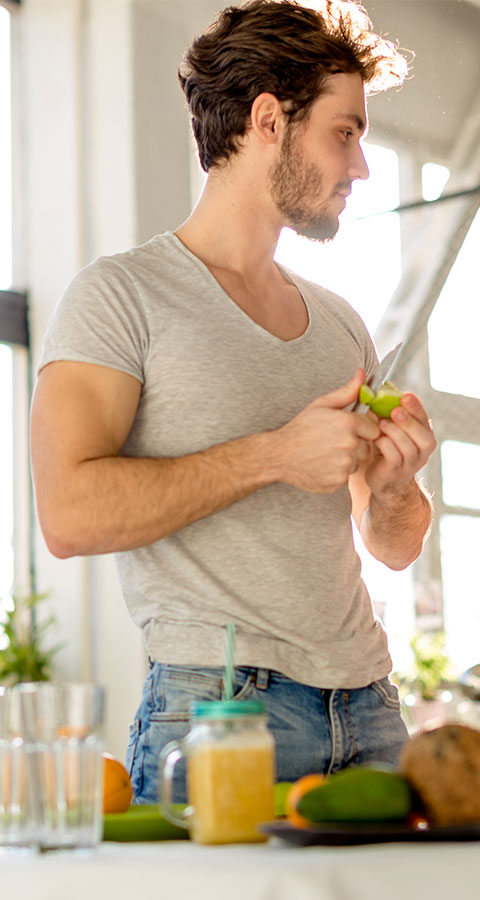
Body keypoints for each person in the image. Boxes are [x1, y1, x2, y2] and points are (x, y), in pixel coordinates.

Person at [30, 0, 435, 803]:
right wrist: (276, 454)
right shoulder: (121, 295)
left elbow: (392, 545)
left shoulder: (341, 323)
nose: (360, 168)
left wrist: (394, 486)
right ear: (268, 120)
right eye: (345, 133)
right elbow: (68, 514)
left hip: (372, 707)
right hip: (221, 713)